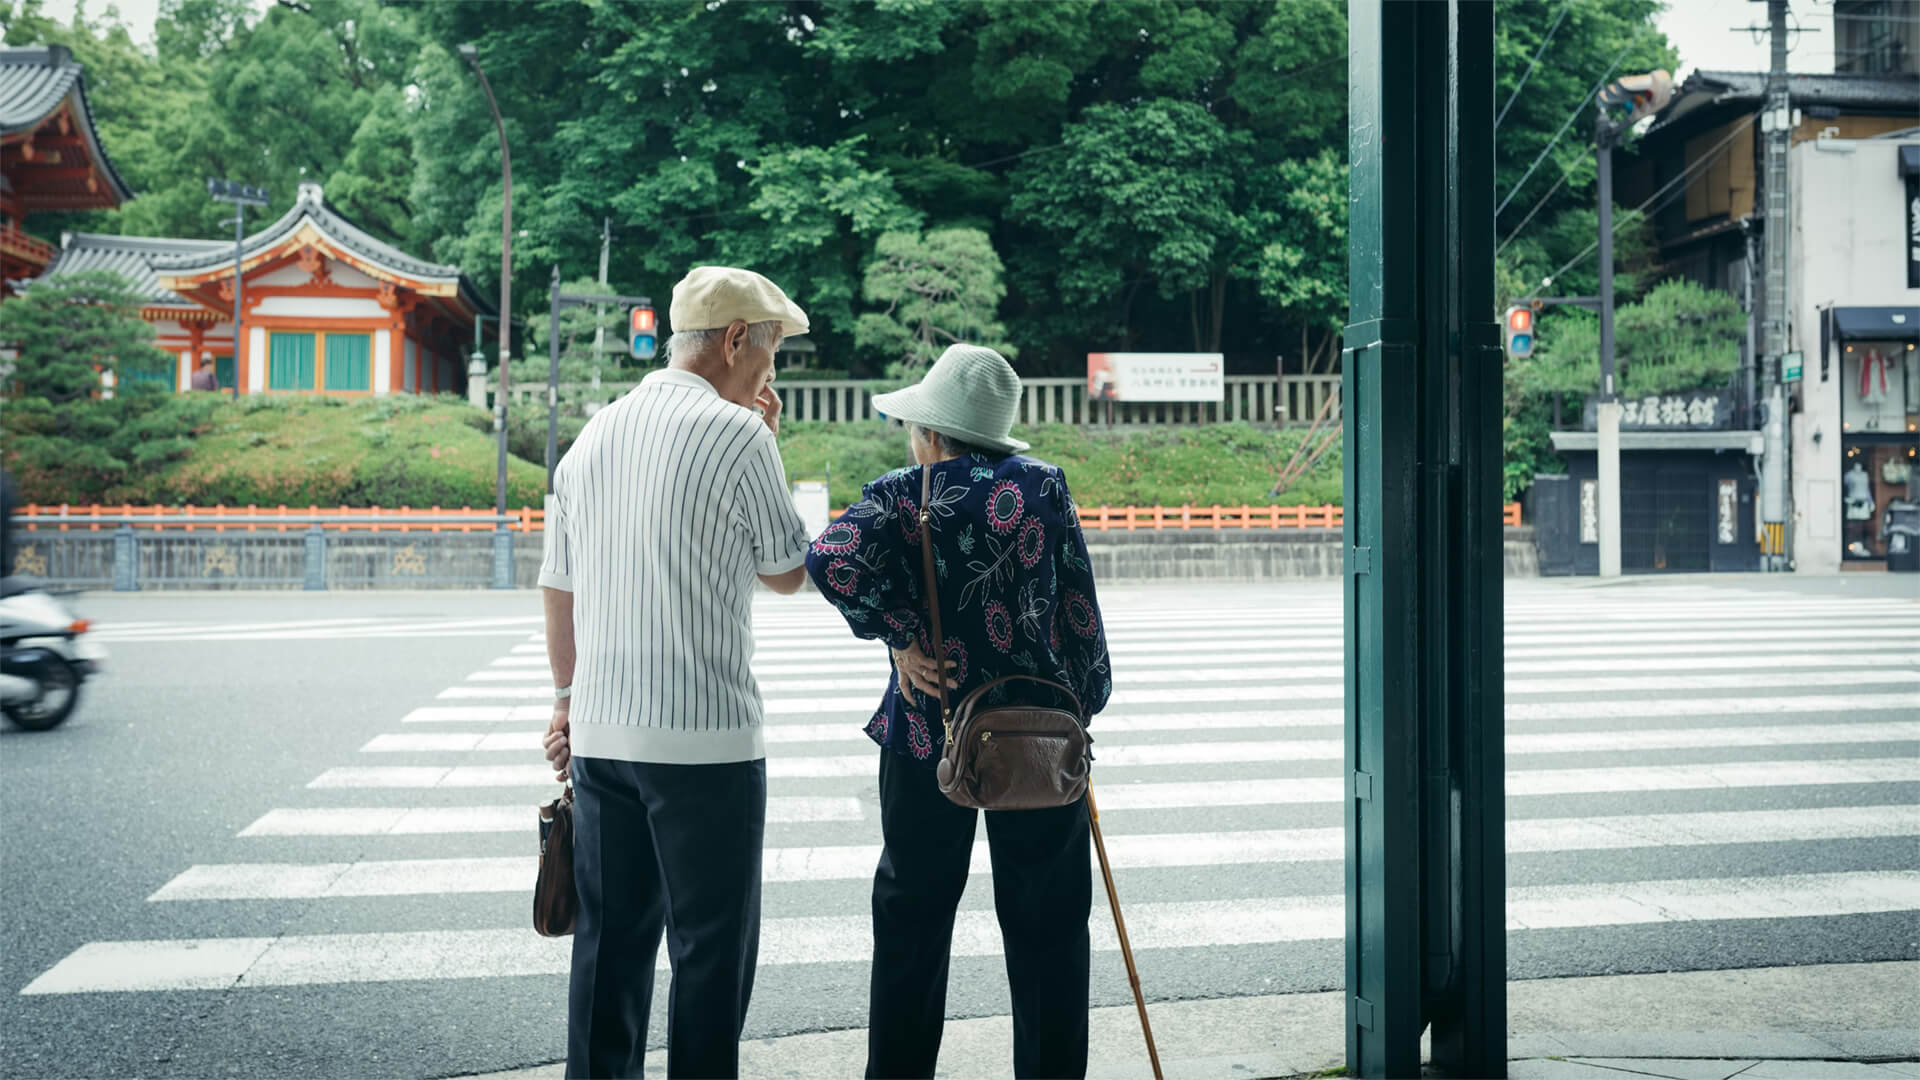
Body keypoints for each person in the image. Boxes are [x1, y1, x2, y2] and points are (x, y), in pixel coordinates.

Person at [803, 344, 1113, 1079]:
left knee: (913, 919)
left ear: (934, 433)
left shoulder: (902, 493)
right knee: (1050, 932)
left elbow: (828, 559)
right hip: (1038, 737)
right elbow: (1079, 610)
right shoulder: (1043, 487)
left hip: (928, 729)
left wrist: (901, 636)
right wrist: (1086, 703)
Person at [539, 266, 813, 1079]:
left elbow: (560, 582)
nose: (770, 378)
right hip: (705, 746)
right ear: (734, 341)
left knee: (609, 947)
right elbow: (787, 570)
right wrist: (768, 440)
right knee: (710, 956)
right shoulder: (738, 435)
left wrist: (564, 702)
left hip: (601, 736)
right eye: (768, 360)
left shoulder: (594, 433)